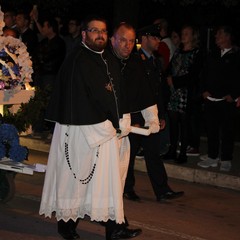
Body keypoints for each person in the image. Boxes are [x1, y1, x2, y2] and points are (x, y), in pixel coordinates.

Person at [39, 15, 142, 240]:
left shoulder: (108, 59)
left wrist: (122, 118)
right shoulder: (77, 60)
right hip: (80, 131)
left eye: (104, 31)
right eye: (95, 30)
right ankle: (66, 225)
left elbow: (115, 94)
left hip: (104, 132)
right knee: (76, 181)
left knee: (107, 181)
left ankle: (115, 228)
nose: (100, 35)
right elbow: (80, 99)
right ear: (84, 34)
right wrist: (106, 125)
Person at [110, 22, 184, 202]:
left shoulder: (154, 62)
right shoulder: (131, 60)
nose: (158, 40)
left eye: (159, 37)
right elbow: (127, 92)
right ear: (144, 39)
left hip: (148, 113)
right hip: (133, 115)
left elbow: (154, 91)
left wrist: (159, 115)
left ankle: (162, 190)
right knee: (130, 154)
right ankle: (127, 188)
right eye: (154, 37)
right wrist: (132, 118)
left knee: (153, 152)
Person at [197, 25, 240, 172]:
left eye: (219, 34)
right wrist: (203, 91)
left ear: (228, 36)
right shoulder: (213, 54)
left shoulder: (236, 55)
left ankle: (226, 158)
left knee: (228, 130)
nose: (216, 37)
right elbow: (204, 73)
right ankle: (213, 156)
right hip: (211, 99)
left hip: (227, 100)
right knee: (212, 129)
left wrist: (234, 94)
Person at [162, 24, 203, 163]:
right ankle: (172, 150)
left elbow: (193, 76)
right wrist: (167, 78)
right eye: (183, 33)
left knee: (184, 124)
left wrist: (174, 80)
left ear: (193, 37)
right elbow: (169, 69)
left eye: (186, 33)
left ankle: (183, 153)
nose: (183, 35)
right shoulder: (178, 52)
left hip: (186, 93)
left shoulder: (197, 53)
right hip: (173, 93)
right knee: (173, 123)